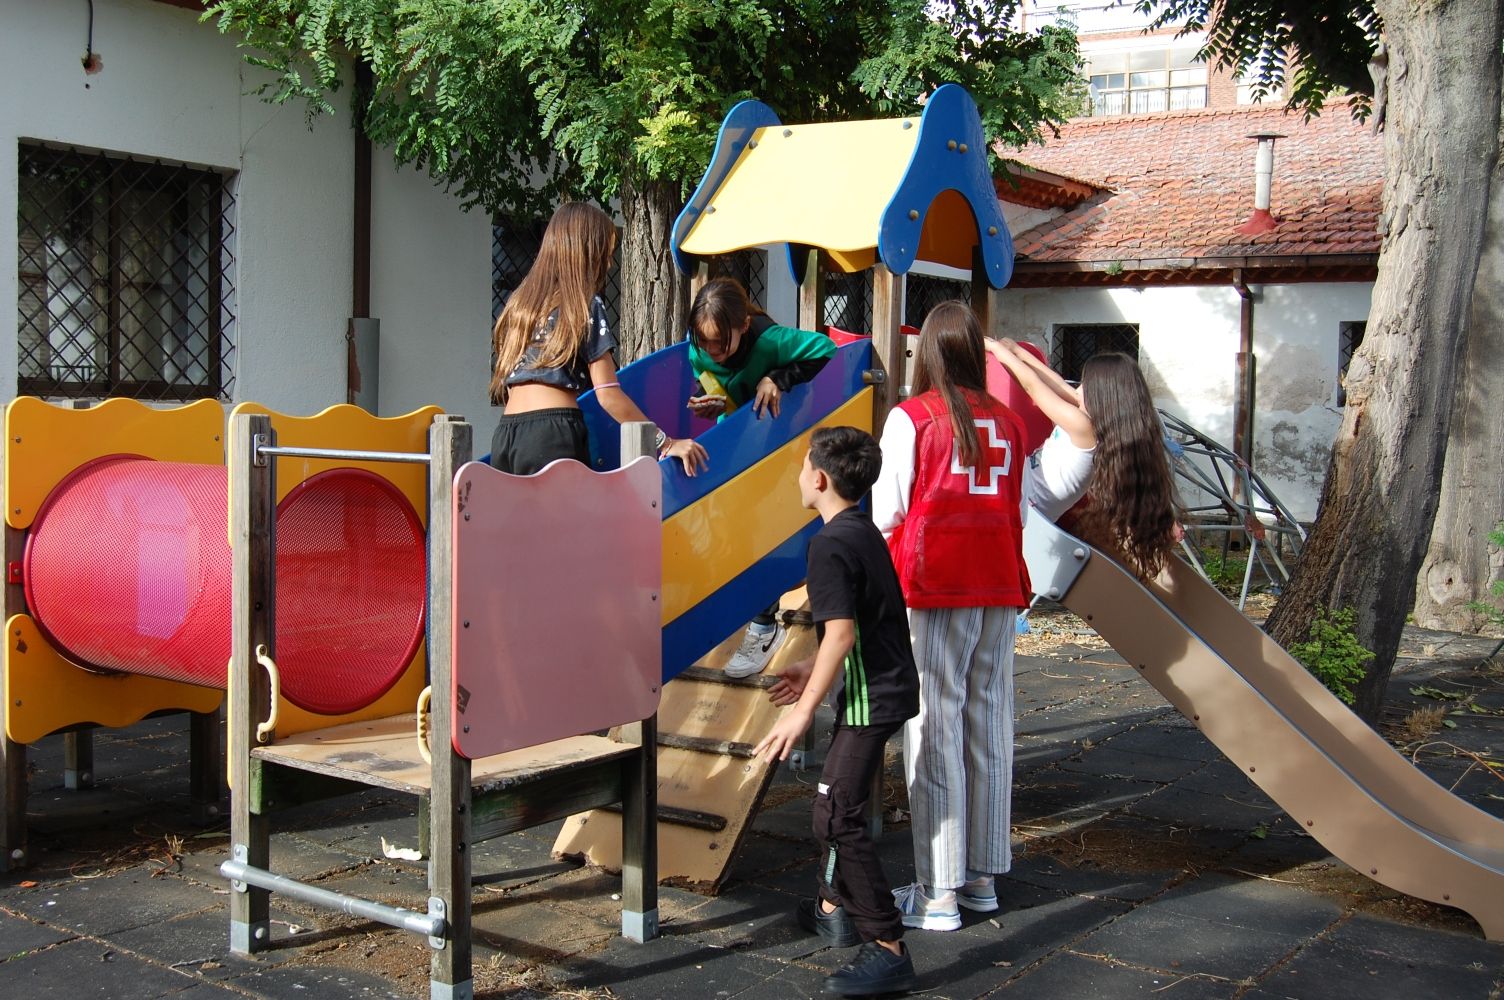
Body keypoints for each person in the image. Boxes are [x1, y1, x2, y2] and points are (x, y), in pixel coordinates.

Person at [869, 301, 1032, 933]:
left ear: (928, 354)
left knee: (935, 728)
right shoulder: (1012, 424)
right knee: (988, 724)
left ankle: (938, 892)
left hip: (936, 583)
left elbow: (886, 511)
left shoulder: (912, 418)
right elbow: (1020, 506)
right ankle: (983, 877)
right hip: (1000, 581)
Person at [754, 425, 919, 998]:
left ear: (819, 479)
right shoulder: (860, 529)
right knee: (835, 806)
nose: (800, 476)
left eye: (803, 467)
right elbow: (865, 621)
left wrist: (803, 712)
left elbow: (843, 634)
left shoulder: (828, 544)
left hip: (875, 697)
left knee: (837, 817)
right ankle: (832, 907)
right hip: (886, 687)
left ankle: (888, 947)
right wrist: (808, 668)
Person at [489, 202, 708, 477]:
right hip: (552, 435)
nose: (609, 263)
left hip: (507, 434)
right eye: (606, 253)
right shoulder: (584, 304)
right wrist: (666, 443)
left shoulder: (521, 306)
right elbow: (607, 395)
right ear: (587, 252)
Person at [687, 277, 837, 677]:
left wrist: (778, 378)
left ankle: (764, 622)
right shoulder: (698, 346)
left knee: (761, 527)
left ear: (743, 326)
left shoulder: (770, 342)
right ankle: (741, 612)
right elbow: (711, 379)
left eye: (721, 342)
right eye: (704, 342)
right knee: (725, 522)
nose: (712, 350)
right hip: (737, 442)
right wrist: (710, 400)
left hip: (779, 442)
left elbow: (825, 350)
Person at [1058, 351, 1179, 580]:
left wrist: (1005, 352)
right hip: (1098, 532)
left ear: (1102, 395)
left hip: (1072, 532)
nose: (1077, 390)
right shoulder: (1131, 432)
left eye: (1084, 384)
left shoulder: (1082, 427)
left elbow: (1034, 388)